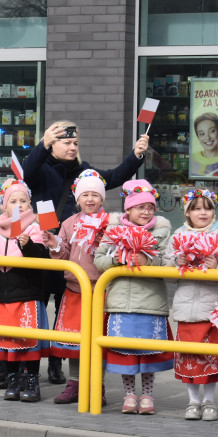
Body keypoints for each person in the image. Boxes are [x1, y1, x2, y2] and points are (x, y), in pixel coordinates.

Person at [22, 121, 149, 386]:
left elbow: (114, 177)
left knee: (63, 310)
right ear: (52, 145)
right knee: (37, 306)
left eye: (75, 143)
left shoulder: (85, 171)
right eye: (66, 143)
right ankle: (28, 369)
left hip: (74, 251)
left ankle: (56, 362)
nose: (72, 147)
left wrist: (136, 155)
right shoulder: (41, 167)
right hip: (44, 246)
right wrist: (43, 144)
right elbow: (27, 170)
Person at [161, 189, 218, 421]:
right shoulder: (178, 236)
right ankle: (192, 401)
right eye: (196, 208)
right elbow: (165, 272)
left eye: (207, 208)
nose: (203, 213)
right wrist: (177, 263)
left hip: (213, 308)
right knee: (189, 357)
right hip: (186, 307)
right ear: (187, 212)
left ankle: (209, 401)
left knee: (211, 358)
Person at [95, 179, 173, 415]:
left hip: (151, 301)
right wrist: (117, 260)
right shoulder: (114, 230)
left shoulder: (162, 231)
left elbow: (169, 259)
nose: (146, 211)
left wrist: (148, 260)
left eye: (150, 207)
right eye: (140, 207)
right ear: (128, 209)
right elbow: (99, 260)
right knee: (125, 355)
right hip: (120, 302)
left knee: (148, 353)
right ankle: (129, 395)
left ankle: (148, 395)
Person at [0, 178, 50, 402]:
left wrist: (28, 245)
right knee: (9, 342)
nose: (19, 204)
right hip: (3, 295)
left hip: (27, 293)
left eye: (23, 200)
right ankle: (12, 379)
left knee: (28, 342)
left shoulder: (35, 228)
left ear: (30, 203)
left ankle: (31, 380)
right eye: (13, 201)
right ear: (3, 206)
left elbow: (43, 259)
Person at [41, 169, 109, 406]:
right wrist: (54, 244)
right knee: (73, 341)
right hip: (74, 289)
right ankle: (74, 384)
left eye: (95, 195)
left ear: (102, 198)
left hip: (101, 292)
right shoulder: (69, 223)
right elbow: (64, 255)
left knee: (97, 341)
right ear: (77, 198)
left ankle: (96, 386)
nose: (90, 199)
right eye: (85, 195)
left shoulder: (110, 223)